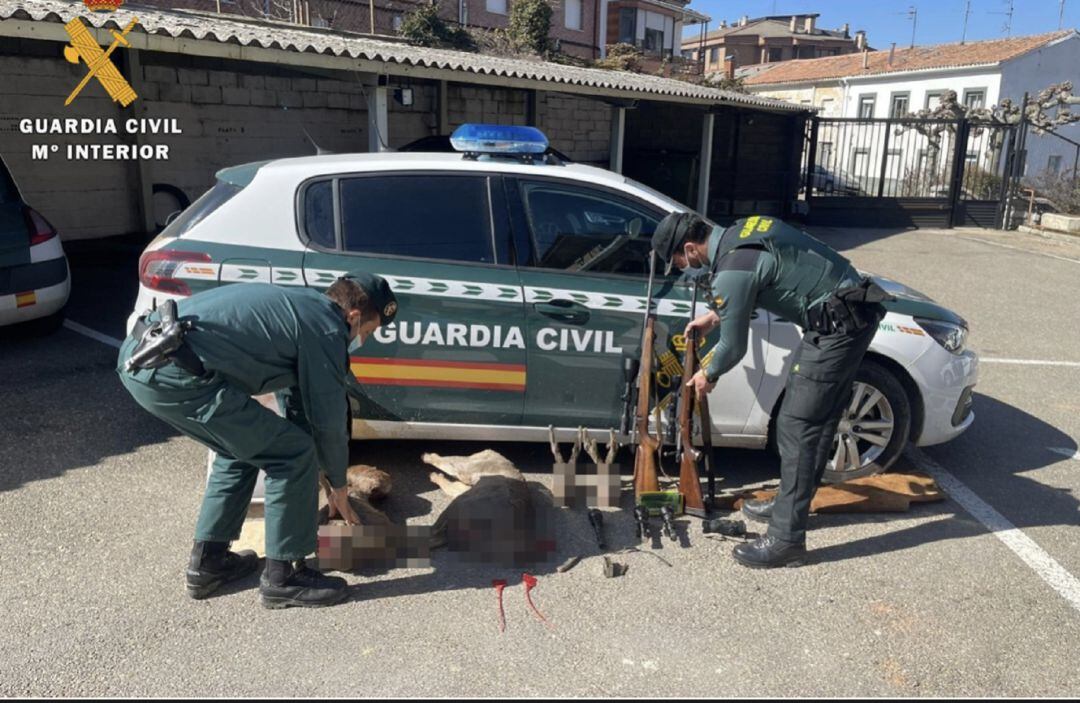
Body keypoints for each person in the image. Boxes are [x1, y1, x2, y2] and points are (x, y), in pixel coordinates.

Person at [117, 273, 397, 607]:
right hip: (173, 369)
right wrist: (337, 483)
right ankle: (284, 577)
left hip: (144, 360)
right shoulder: (326, 329)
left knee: (242, 450)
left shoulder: (303, 310)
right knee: (291, 454)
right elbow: (328, 417)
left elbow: (298, 402)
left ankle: (209, 563)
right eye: (367, 331)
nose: (362, 338)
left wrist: (323, 473)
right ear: (353, 316)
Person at [652, 212, 889, 568]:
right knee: (815, 420)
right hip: (850, 311)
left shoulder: (729, 272)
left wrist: (708, 374)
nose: (683, 269)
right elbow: (764, 276)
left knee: (797, 426)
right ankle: (790, 505)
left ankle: (785, 541)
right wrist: (713, 317)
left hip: (836, 328)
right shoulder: (742, 231)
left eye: (679, 262)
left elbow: (733, 348)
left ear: (690, 248)